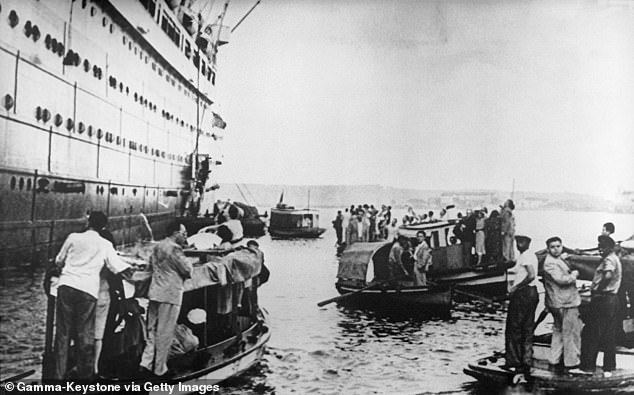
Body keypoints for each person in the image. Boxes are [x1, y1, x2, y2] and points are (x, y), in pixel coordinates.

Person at [53, 211, 130, 380]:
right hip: (88, 290)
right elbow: (118, 267)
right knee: (86, 335)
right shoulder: (105, 244)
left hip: (66, 286)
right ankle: (85, 377)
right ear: (103, 226)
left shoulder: (73, 237)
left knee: (63, 334)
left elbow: (59, 261)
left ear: (88, 223)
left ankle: (58, 378)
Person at [140, 222, 193, 377]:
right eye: (184, 234)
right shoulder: (175, 249)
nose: (185, 237)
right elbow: (187, 270)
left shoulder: (158, 246)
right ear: (176, 233)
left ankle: (145, 363)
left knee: (152, 330)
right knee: (165, 332)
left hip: (155, 293)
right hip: (170, 295)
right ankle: (160, 369)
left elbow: (150, 267)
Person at [575, 235, 622, 376]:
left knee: (592, 333)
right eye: (600, 246)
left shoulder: (609, 260)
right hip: (613, 300)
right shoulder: (615, 258)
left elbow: (607, 276)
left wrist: (598, 290)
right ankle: (609, 368)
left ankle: (587, 367)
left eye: (603, 247)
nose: (601, 249)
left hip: (604, 299)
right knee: (609, 335)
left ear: (610, 247)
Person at [542, 236, 582, 371]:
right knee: (570, 332)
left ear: (562, 246)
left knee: (558, 331)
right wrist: (574, 275)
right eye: (552, 247)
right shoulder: (550, 263)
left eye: (558, 246)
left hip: (556, 302)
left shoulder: (555, 259)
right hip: (565, 302)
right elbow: (561, 280)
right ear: (548, 249)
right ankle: (572, 362)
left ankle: (555, 359)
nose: (556, 249)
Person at [503, 235, 539, 373]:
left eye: (522, 242)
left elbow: (531, 275)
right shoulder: (529, 255)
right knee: (527, 327)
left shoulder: (526, 256)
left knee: (514, 327)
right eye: (517, 242)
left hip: (524, 293)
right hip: (532, 293)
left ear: (528, 243)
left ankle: (513, 361)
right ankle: (526, 360)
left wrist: (516, 287)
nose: (519, 244)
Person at [501, 199, 516, 264]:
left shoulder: (506, 212)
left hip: (507, 232)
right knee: (511, 246)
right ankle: (512, 258)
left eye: (506, 202)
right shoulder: (510, 212)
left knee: (506, 245)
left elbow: (506, 222)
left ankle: (507, 259)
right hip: (511, 231)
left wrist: (503, 231)